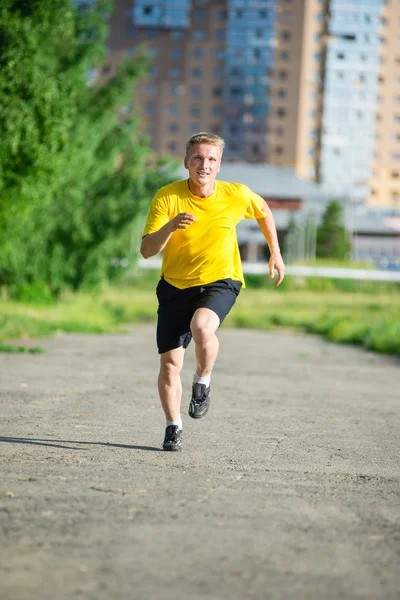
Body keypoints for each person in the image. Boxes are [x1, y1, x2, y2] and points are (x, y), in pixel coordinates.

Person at [140, 132, 285, 451]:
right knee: (169, 365)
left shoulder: (236, 194)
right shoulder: (167, 197)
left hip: (221, 279)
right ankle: (173, 426)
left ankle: (202, 381)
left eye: (211, 160)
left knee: (203, 327)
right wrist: (170, 226)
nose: (204, 165)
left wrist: (274, 251)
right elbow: (147, 250)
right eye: (198, 158)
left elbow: (263, 211)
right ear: (186, 162)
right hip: (175, 286)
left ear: (219, 166)